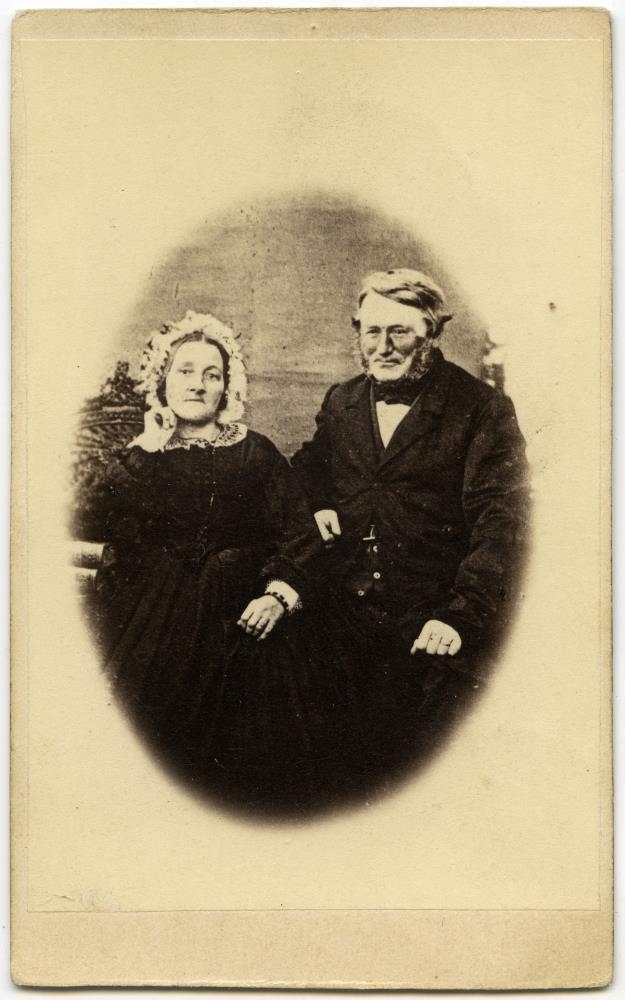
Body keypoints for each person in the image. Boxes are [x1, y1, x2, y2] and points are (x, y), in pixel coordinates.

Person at [85, 310, 344, 815]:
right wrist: (146, 447)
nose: (198, 385)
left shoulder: (255, 453)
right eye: (185, 371)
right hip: (155, 621)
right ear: (163, 380)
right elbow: (93, 516)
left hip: (241, 621)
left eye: (212, 374)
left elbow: (300, 534)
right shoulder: (144, 453)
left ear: (227, 387)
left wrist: (277, 597)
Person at [291, 269, 529, 700]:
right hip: (343, 609)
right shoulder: (342, 399)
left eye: (399, 332)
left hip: (432, 615)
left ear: (431, 334)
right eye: (372, 331)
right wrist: (320, 501)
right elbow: (309, 465)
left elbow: (500, 523)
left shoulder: (481, 408)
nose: (383, 347)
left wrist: (459, 616)